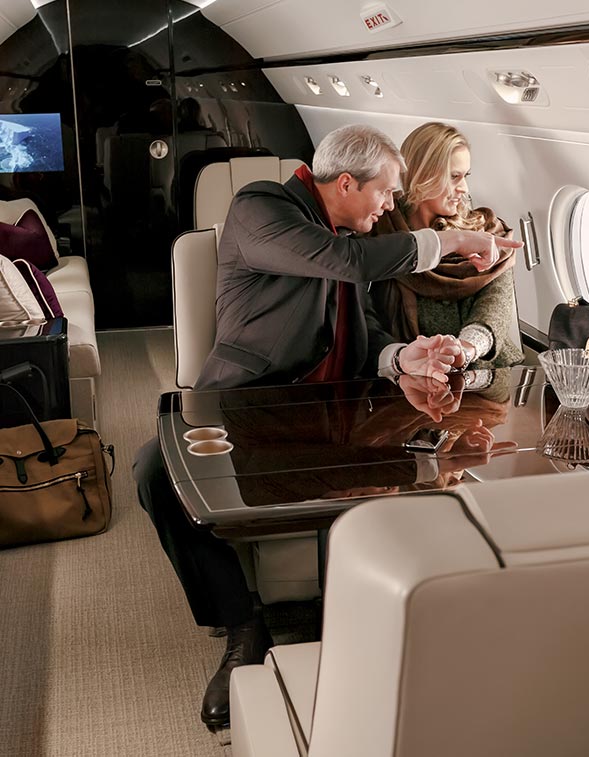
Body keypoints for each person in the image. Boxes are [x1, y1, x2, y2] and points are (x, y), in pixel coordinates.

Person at [133, 124, 522, 729]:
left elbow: (363, 330)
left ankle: (378, 620)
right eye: (385, 194)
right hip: (248, 402)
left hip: (338, 407)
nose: (390, 206)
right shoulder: (261, 207)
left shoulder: (347, 235)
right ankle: (242, 625)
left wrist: (401, 358)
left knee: (434, 463)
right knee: (154, 472)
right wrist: (459, 239)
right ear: (345, 182)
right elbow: (342, 262)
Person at [371, 121, 524, 369]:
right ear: (422, 174)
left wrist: (468, 347)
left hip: (485, 367)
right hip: (409, 368)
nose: (463, 188)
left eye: (466, 176)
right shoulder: (382, 230)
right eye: (454, 177)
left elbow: (495, 303)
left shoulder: (485, 229)